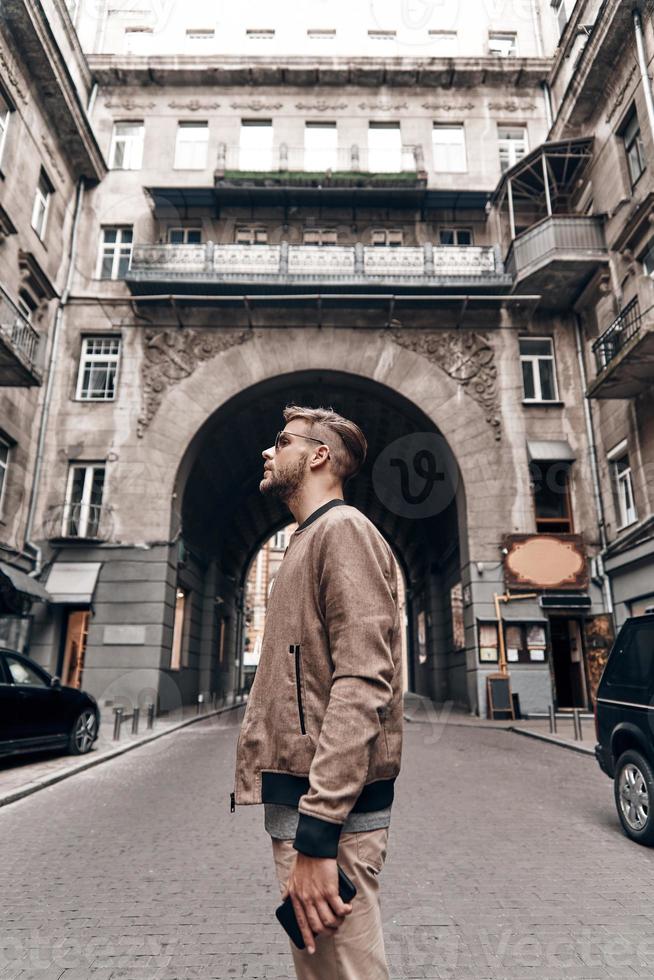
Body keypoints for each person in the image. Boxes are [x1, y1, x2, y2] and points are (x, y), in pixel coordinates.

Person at [231, 404, 404, 979]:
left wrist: (320, 831)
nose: (268, 451)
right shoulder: (306, 538)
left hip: (331, 823)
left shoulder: (342, 530)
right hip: (308, 815)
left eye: (281, 441)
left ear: (319, 455)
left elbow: (362, 682)